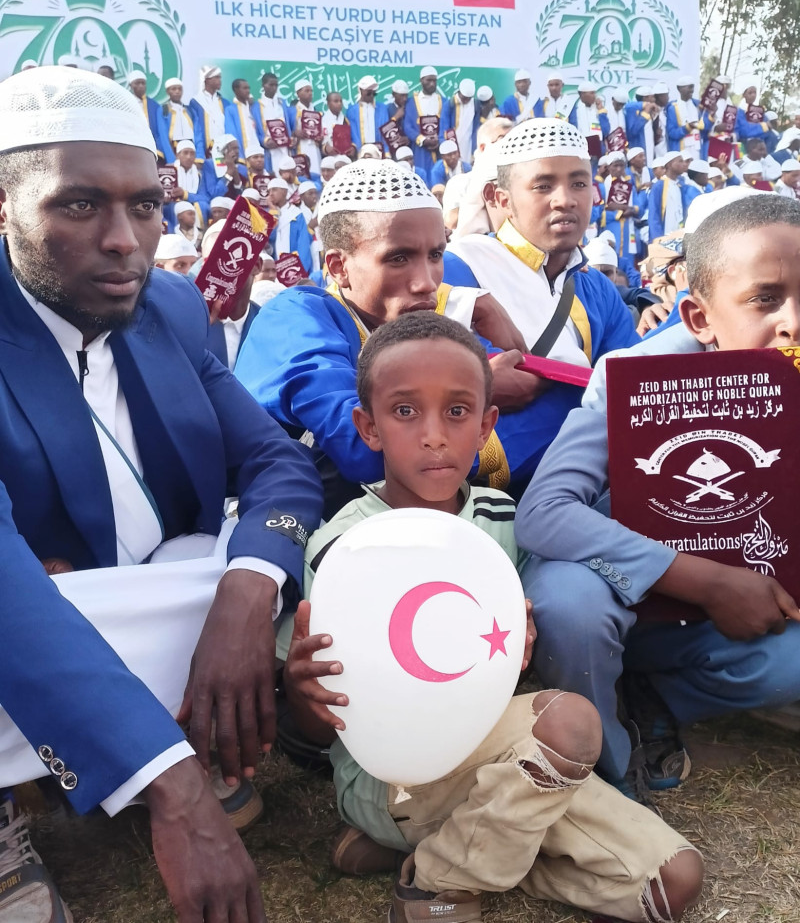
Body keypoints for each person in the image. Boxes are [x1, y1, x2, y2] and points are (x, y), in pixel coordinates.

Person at [0, 64, 323, 922]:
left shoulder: (167, 307)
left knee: (265, 557)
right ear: (4, 207)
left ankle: (187, 729)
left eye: (144, 205)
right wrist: (175, 791)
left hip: (135, 591)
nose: (125, 241)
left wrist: (246, 595)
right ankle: (113, 771)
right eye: (80, 205)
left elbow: (278, 466)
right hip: (26, 607)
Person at [283, 311, 704, 923]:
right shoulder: (344, 547)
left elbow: (521, 641)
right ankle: (437, 883)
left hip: (513, 769)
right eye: (405, 412)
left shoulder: (506, 519)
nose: (434, 435)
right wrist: (303, 692)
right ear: (368, 428)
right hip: (394, 781)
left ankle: (434, 846)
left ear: (485, 426)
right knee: (569, 723)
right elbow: (326, 724)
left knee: (671, 883)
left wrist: (526, 638)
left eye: (457, 412)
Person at [514, 191, 800, 802]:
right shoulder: (636, 378)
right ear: (699, 318)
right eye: (764, 299)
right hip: (622, 595)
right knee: (569, 605)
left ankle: (654, 696)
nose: (793, 322)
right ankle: (604, 773)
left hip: (735, 608)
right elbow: (543, 514)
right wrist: (707, 582)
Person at [235, 158, 585, 515]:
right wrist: (472, 394)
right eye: (399, 258)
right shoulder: (292, 317)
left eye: (436, 255)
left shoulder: (424, 323)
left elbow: (556, 400)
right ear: (339, 267)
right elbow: (367, 450)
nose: (426, 282)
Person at [447, 119, 639, 362]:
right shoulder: (457, 269)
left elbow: (631, 376)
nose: (565, 200)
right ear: (502, 200)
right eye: (543, 186)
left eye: (579, 184)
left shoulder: (598, 288)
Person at [599, 151, 645, 286]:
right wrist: (619, 214)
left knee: (627, 260)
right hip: (611, 228)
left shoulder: (629, 185)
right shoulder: (603, 186)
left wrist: (629, 209)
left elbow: (639, 208)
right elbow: (600, 212)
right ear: (608, 167)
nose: (619, 169)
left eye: (622, 166)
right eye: (615, 166)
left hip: (628, 229)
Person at [403, 66, 446, 184]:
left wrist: (439, 141)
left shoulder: (443, 101)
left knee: (438, 180)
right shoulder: (412, 102)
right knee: (420, 179)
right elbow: (408, 126)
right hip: (420, 149)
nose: (432, 84)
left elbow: (446, 125)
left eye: (434, 80)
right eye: (429, 80)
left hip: (438, 148)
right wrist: (423, 140)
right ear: (421, 80)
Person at [266, 177, 314, 274]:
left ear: (284, 192)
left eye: (274, 190)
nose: (270, 194)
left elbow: (303, 244)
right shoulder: (268, 215)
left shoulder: (295, 213)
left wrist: (301, 270)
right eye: (269, 191)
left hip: (295, 267)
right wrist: (274, 212)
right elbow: (269, 238)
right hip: (275, 268)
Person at [127, 70, 173, 162]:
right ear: (130, 85)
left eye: (143, 83)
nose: (141, 86)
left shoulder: (154, 106)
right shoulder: (125, 102)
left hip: (151, 147)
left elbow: (159, 131)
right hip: (132, 144)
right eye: (137, 83)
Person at [287, 77, 323, 182]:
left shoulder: (315, 110)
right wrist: (295, 133)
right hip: (300, 147)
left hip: (314, 148)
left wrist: (320, 137)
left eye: (311, 91)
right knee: (302, 175)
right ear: (298, 93)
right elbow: (288, 130)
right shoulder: (292, 111)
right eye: (306, 91)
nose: (310, 93)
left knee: (317, 174)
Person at [189, 65, 229, 159]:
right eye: (217, 77)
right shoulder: (196, 102)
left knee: (222, 167)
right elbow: (197, 129)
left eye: (220, 78)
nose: (220, 81)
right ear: (207, 80)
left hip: (224, 149)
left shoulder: (225, 103)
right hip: (206, 151)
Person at [255, 72, 291, 173]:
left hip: (285, 147)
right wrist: (265, 141)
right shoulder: (256, 106)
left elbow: (289, 125)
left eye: (276, 85)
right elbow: (255, 130)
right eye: (271, 85)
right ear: (263, 85)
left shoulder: (282, 103)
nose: (274, 88)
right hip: (270, 149)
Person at [162, 77, 204, 158]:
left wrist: (200, 156)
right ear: (167, 91)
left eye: (179, 89)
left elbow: (198, 133)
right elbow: (163, 136)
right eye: (173, 89)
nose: (177, 91)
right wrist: (171, 158)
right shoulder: (163, 110)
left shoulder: (190, 110)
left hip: (191, 147)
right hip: (174, 148)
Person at [666, 77, 707, 159]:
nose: (691, 90)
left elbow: (706, 127)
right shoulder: (672, 108)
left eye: (692, 87)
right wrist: (687, 128)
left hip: (697, 149)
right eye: (689, 87)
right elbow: (671, 133)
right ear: (679, 89)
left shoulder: (697, 105)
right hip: (682, 149)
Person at [346, 76, 389, 155]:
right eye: (369, 93)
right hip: (361, 153)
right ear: (360, 90)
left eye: (374, 93)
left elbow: (386, 132)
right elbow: (353, 135)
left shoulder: (382, 108)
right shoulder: (352, 111)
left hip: (379, 152)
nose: (372, 95)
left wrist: (386, 152)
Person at [225, 78, 265, 162]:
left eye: (248, 88)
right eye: (245, 88)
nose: (248, 91)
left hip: (257, 149)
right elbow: (231, 133)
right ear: (236, 90)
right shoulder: (230, 109)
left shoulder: (253, 107)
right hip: (243, 151)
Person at [648, 151, 685, 238]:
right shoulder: (659, 186)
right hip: (664, 236)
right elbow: (653, 214)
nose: (683, 164)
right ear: (669, 164)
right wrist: (657, 238)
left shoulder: (679, 185)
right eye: (680, 161)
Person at [568, 82, 610, 157]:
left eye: (594, 93)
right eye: (592, 93)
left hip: (598, 149)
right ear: (582, 94)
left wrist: (601, 111)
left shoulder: (599, 110)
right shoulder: (575, 110)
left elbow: (606, 131)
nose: (595, 96)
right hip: (581, 149)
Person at [446, 78, 480, 164]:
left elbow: (476, 128)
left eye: (468, 98)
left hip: (468, 144)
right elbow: (444, 128)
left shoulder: (475, 105)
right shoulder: (450, 104)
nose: (466, 101)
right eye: (464, 98)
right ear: (459, 92)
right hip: (453, 142)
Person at [624, 87, 658, 166]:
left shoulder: (650, 110)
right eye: (652, 97)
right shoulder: (633, 109)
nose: (654, 99)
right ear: (645, 98)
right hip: (639, 147)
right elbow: (633, 131)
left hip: (650, 148)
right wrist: (645, 111)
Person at [322, 91, 353, 158]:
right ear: (328, 104)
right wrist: (326, 149)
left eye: (341, 101)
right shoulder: (322, 121)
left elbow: (352, 139)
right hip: (329, 158)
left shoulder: (346, 121)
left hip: (344, 157)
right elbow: (319, 143)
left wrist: (352, 149)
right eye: (336, 101)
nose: (339, 103)